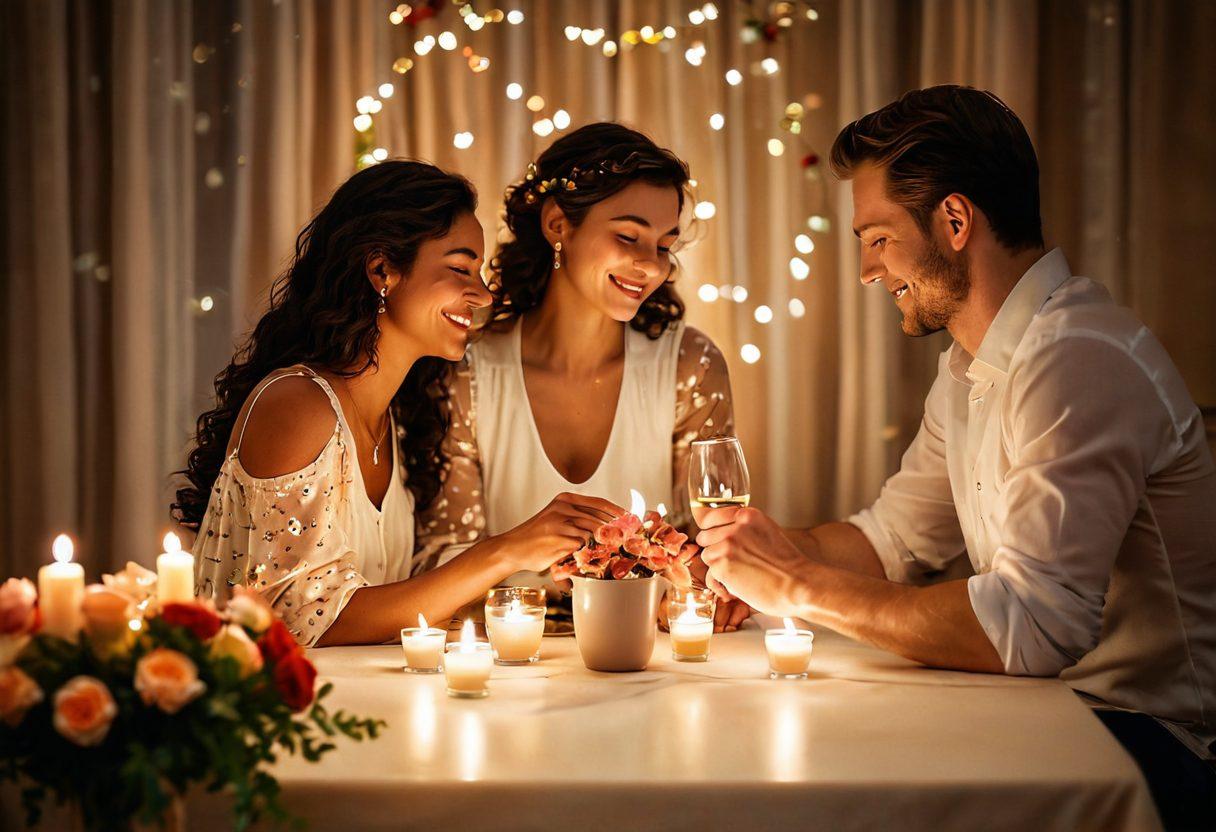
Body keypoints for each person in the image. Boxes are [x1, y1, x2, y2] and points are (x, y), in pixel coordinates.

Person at [696, 85, 1216, 828]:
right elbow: (894, 539)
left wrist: (799, 583)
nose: (870, 271)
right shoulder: (971, 365)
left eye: (877, 239)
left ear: (955, 219)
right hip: (1046, 710)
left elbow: (1036, 628)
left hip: (1148, 743)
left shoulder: (1077, 357)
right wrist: (763, 554)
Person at [176, 160, 622, 646]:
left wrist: (550, 571)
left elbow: (400, 596)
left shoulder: (398, 417)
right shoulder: (298, 404)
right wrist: (502, 553)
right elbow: (295, 621)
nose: (482, 294)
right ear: (381, 269)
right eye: (459, 268)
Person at [415, 122, 751, 631]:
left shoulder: (691, 364)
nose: (649, 265)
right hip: (505, 667)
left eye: (663, 245)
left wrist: (707, 585)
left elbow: (707, 548)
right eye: (628, 236)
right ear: (557, 224)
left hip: (646, 662)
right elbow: (439, 560)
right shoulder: (467, 367)